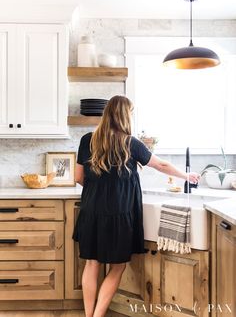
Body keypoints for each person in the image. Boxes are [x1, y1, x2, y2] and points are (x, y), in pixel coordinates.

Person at [72, 95, 200, 317]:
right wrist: (186, 175)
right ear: (125, 116)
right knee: (118, 266)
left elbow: (78, 177)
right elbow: (161, 164)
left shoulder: (87, 140)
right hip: (119, 214)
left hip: (91, 211)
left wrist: (99, 189)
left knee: (91, 264)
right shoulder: (130, 143)